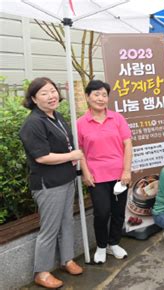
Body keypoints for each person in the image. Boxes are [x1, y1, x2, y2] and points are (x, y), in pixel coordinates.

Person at [19, 77, 84, 288]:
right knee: (49, 228)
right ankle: (42, 272)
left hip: (66, 179)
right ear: (34, 99)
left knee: (66, 221)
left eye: (53, 90)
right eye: (44, 93)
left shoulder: (56, 116)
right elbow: (42, 157)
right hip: (49, 184)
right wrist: (72, 155)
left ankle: (67, 260)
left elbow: (66, 143)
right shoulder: (33, 123)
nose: (51, 96)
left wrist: (71, 155)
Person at [77, 80, 132, 264]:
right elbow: (80, 152)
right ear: (87, 96)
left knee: (118, 212)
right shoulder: (80, 123)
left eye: (104, 95)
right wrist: (85, 173)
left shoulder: (117, 118)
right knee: (102, 212)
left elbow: (128, 145)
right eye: (96, 94)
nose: (101, 99)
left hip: (119, 175)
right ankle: (101, 246)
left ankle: (113, 243)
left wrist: (126, 170)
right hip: (96, 176)